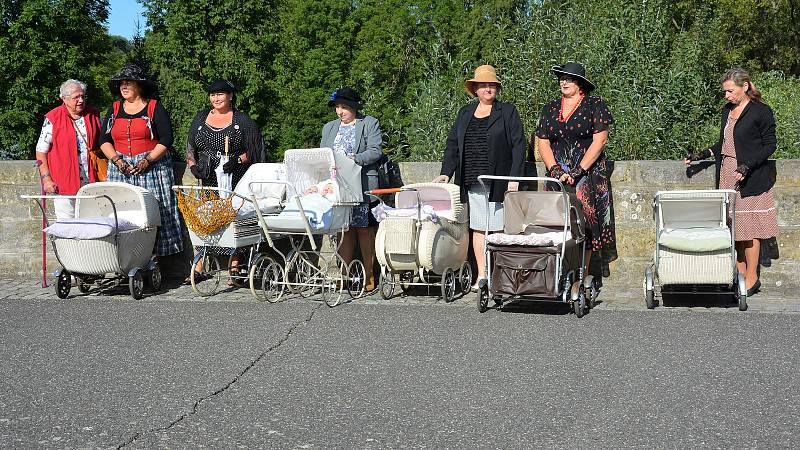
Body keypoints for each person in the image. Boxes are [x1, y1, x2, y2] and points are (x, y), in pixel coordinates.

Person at [684, 68, 778, 297]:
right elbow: (723, 145)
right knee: (735, 229)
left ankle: (752, 278)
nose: (726, 96)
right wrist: (702, 155)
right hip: (727, 174)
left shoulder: (760, 112)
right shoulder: (728, 111)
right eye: (725, 91)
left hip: (751, 176)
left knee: (751, 230)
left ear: (745, 86)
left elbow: (770, 145)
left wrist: (748, 165)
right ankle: (739, 274)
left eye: (730, 91)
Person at [434, 64, 526, 291]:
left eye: (492, 85)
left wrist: (514, 178)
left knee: (497, 229)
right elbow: (453, 145)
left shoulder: (507, 112)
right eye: (483, 85)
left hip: (499, 182)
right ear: (474, 89)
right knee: (478, 228)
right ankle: (482, 276)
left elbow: (518, 146)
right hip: (472, 180)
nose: (488, 88)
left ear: (497, 88)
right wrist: (447, 172)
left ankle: (500, 276)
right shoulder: (465, 113)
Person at [536, 62, 617, 279]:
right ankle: (556, 272)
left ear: (580, 83)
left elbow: (600, 141)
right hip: (556, 174)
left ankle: (580, 273)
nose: (564, 81)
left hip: (587, 174)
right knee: (555, 222)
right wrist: (554, 169)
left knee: (585, 222)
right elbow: (542, 141)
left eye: (569, 78)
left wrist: (577, 171)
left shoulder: (595, 104)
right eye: (561, 78)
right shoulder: (550, 108)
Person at [99, 63, 183, 257]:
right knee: (122, 212)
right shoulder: (114, 109)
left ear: (140, 86)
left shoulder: (154, 107)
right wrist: (117, 160)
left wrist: (148, 160)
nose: (124, 87)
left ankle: (156, 260)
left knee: (155, 211)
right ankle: (125, 257)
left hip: (152, 169)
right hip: (121, 168)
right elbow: (103, 140)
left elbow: (166, 139)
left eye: (129, 83)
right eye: (121, 83)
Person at [321, 87, 382, 292]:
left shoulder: (369, 123)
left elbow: (375, 151)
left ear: (354, 108)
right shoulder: (329, 127)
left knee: (364, 229)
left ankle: (369, 273)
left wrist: (353, 159)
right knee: (343, 229)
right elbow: (323, 154)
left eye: (345, 107)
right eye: (338, 107)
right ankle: (344, 274)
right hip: (337, 185)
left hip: (361, 182)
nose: (340, 111)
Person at [35, 79, 102, 219]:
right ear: (64, 98)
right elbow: (41, 151)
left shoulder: (93, 114)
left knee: (93, 222)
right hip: (64, 181)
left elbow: (104, 143)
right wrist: (46, 179)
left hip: (91, 181)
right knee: (67, 225)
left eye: (83, 96)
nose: (81, 100)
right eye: (76, 97)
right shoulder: (53, 118)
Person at [186, 79, 265, 189]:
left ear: (230, 96)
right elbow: (190, 148)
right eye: (212, 95)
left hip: (236, 180)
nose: (216, 99)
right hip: (208, 182)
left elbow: (256, 150)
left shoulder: (242, 120)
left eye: (220, 94)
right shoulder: (200, 118)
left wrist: (237, 160)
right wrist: (193, 166)